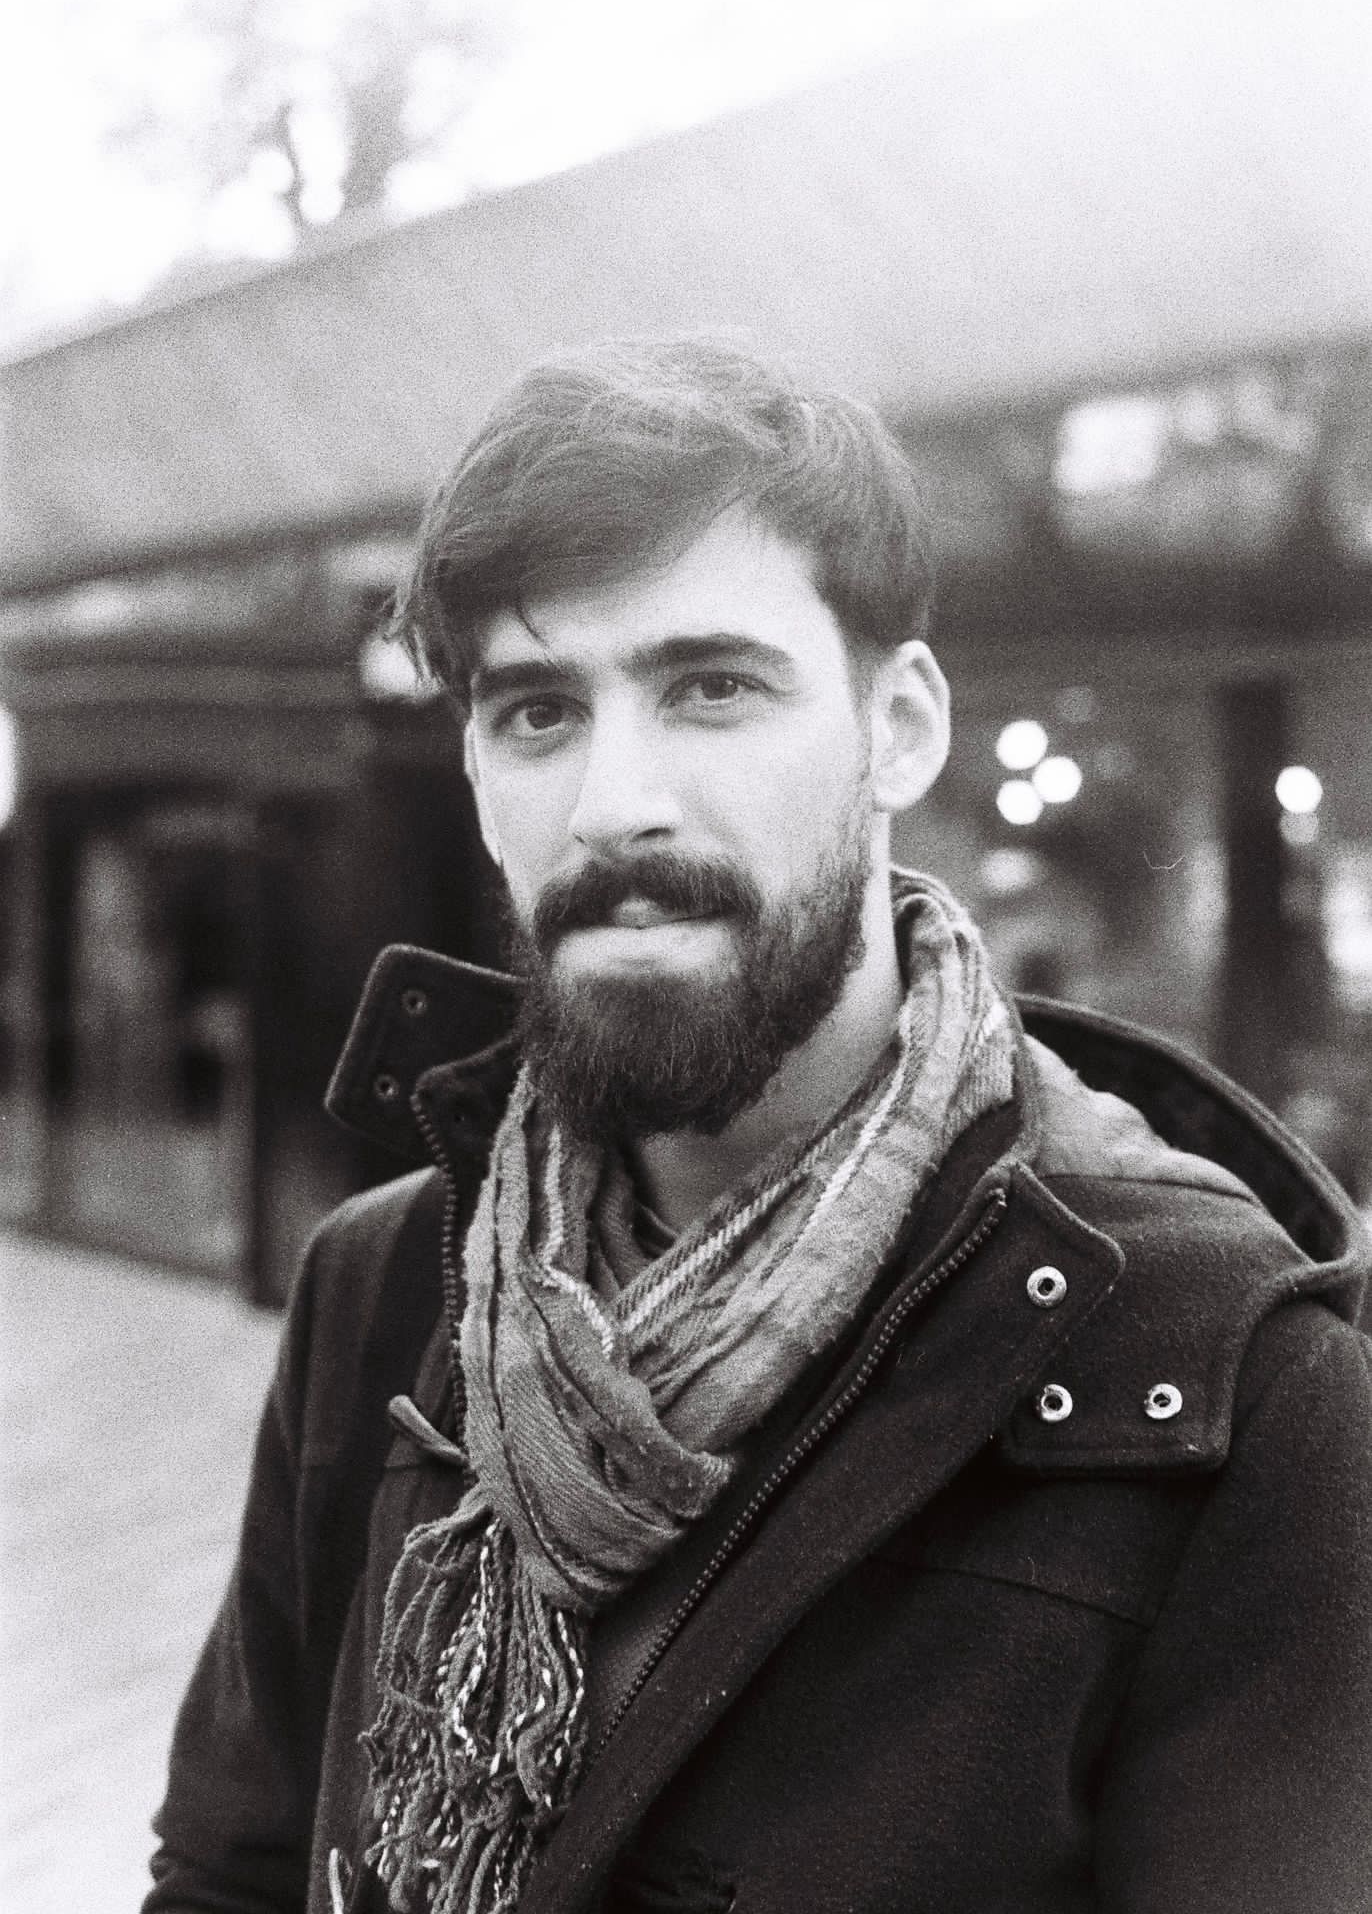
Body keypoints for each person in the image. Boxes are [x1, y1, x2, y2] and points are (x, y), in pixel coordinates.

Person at [146, 337, 1372, 1914]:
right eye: (538, 712)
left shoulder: (1232, 1381)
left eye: (712, 688)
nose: (614, 803)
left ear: (900, 728)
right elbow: (232, 1872)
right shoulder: (383, 1286)